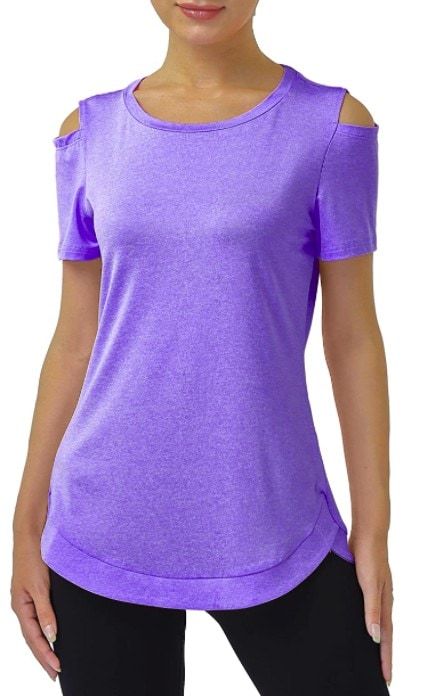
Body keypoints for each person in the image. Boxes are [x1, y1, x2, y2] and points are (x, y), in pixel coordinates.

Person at [11, 1, 393, 694]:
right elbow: (74, 340)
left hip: (275, 520)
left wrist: (373, 530)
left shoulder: (331, 127)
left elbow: (352, 338)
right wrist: (26, 521)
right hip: (101, 524)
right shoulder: (89, 134)